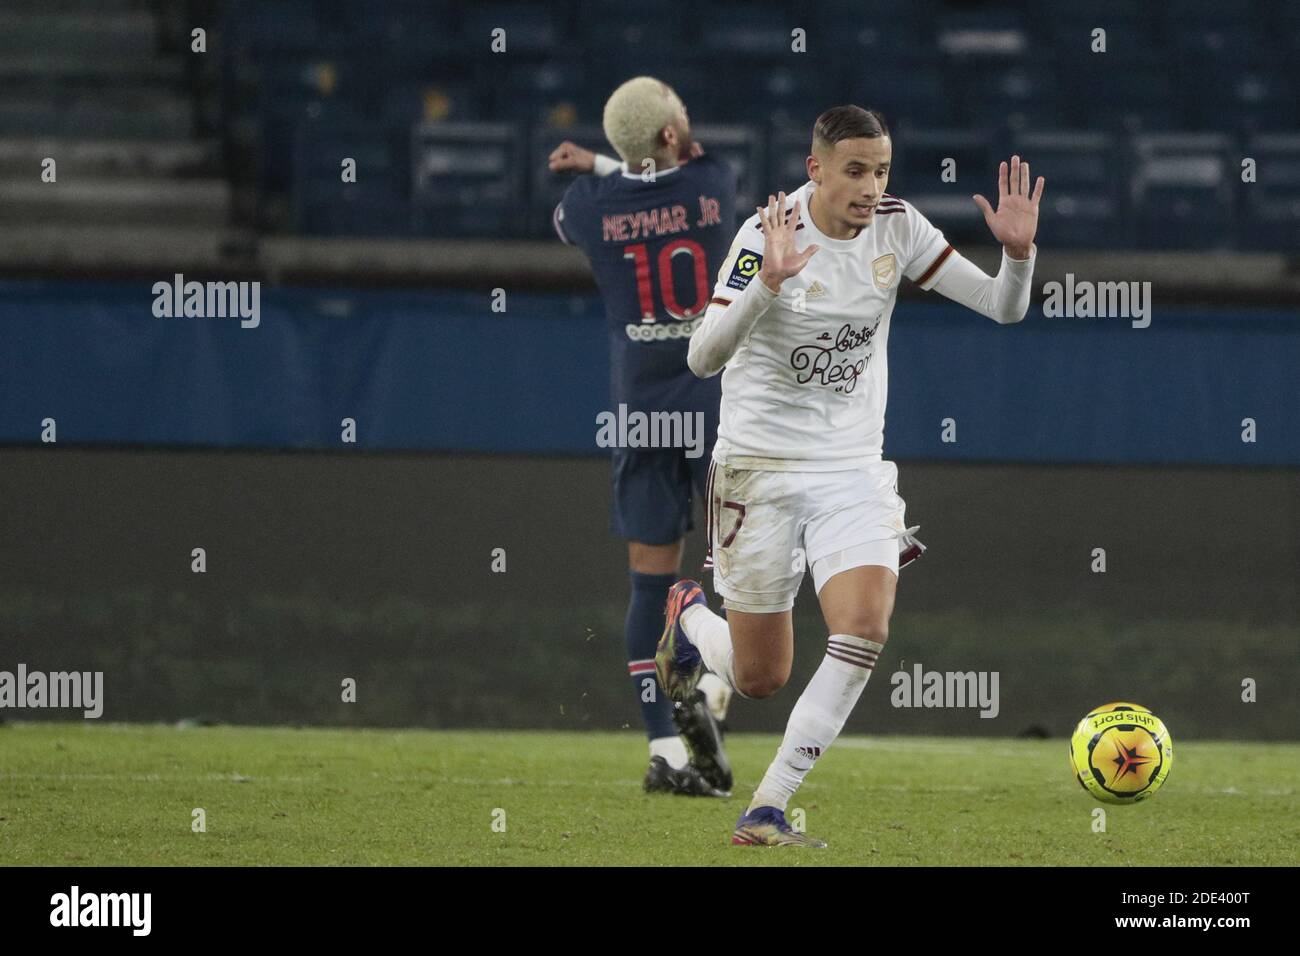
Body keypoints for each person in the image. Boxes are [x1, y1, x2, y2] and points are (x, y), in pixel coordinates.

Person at [657, 105, 1044, 843]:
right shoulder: (765, 234)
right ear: (816, 171)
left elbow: (1003, 308)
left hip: (852, 469)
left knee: (864, 626)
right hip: (759, 470)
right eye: (857, 172)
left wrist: (1018, 257)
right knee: (759, 676)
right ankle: (689, 617)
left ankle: (767, 806)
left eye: (882, 171)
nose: (871, 188)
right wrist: (767, 286)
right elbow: (701, 356)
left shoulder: (899, 227)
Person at [549, 76, 740, 796]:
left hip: (642, 409)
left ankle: (667, 746)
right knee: (747, 573)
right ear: (668, 136)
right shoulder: (711, 187)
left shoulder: (586, 209)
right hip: (717, 404)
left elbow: (585, 217)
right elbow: (682, 175)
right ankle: (713, 688)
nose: (688, 119)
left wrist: (601, 168)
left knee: (646, 580)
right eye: (678, 113)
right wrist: (606, 159)